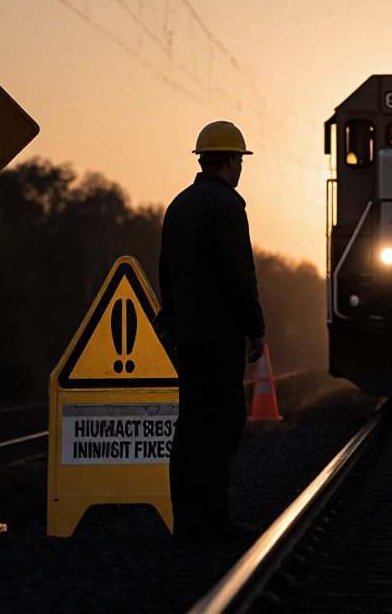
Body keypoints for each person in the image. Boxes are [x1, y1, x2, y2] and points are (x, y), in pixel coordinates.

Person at [154, 120, 266, 542]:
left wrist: (171, 319)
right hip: (220, 335)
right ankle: (214, 519)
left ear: (203, 158)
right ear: (233, 161)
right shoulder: (227, 206)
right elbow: (239, 274)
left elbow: (167, 269)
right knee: (222, 423)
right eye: (240, 160)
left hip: (187, 334)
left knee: (191, 425)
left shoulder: (179, 205)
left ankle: (186, 520)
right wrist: (255, 327)